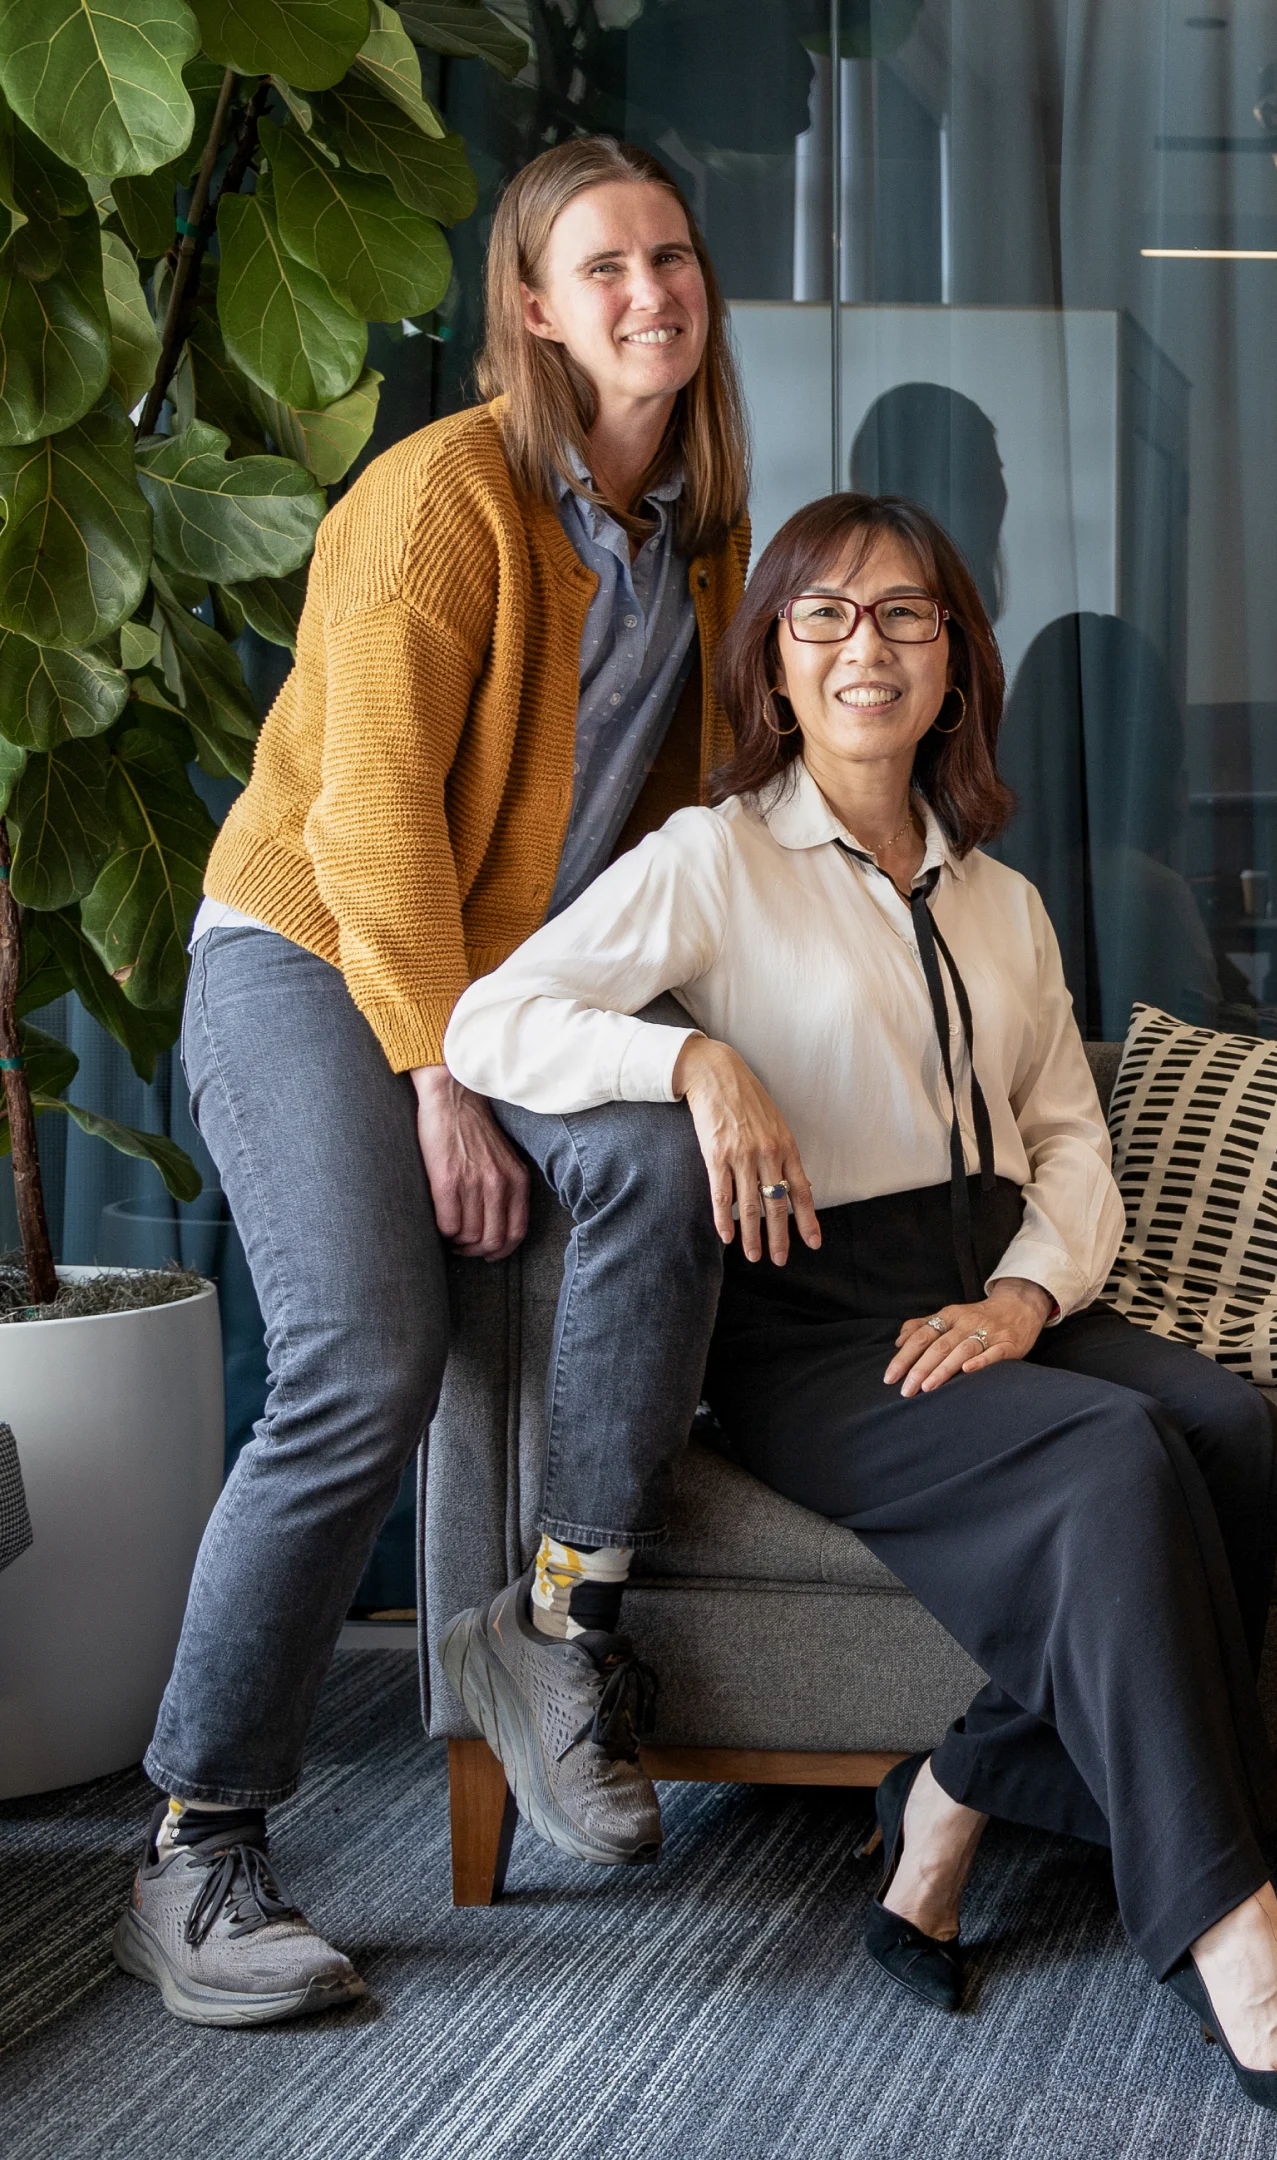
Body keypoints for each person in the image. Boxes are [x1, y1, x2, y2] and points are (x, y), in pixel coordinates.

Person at [441, 493, 1277, 2127]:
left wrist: (1031, 1294)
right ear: (778, 668)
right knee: (1113, 1465)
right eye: (822, 617)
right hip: (818, 1326)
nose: (864, 646)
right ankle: (1230, 1935)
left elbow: (1070, 1148)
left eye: (905, 616)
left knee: (1232, 1437)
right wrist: (687, 1058)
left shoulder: (1002, 900)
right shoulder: (712, 862)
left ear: (956, 663)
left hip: (988, 1289)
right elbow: (490, 1019)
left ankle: (956, 1796)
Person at [120, 138, 751, 2027]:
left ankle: (554, 1623)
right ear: (537, 309)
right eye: (604, 266)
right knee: (364, 1362)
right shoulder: (439, 499)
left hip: (502, 985)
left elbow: (673, 837)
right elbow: (381, 822)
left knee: (658, 1153)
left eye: (674, 255)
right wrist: (438, 1084)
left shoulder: (698, 537)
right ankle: (199, 1841)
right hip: (312, 954)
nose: (651, 289)